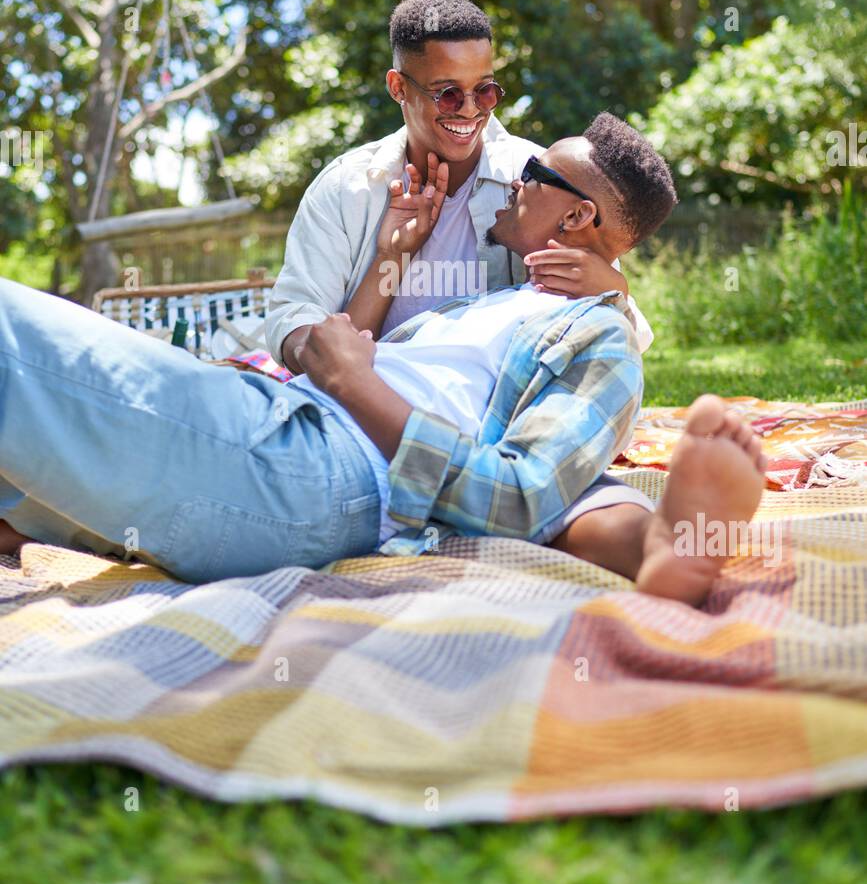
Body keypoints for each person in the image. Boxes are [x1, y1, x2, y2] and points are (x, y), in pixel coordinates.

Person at [0, 117, 766, 606]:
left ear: (575, 216)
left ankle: (669, 548)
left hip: (322, 464)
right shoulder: (495, 305)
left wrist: (352, 380)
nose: (516, 172)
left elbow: (523, 497)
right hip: (279, 426)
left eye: (534, 172)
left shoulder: (594, 336)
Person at [266, 0, 653, 371]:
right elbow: (298, 321)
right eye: (447, 94)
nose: (470, 110)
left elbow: (618, 338)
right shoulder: (346, 189)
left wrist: (616, 290)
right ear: (398, 88)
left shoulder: (537, 177)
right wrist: (390, 261)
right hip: (377, 401)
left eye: (485, 91)